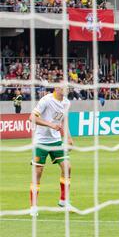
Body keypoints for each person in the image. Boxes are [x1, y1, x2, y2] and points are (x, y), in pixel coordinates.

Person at [30, 85, 77, 216]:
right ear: (56, 88)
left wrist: (68, 136)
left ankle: (64, 201)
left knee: (67, 167)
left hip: (56, 141)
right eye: (63, 87)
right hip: (41, 142)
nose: (66, 89)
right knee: (38, 172)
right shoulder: (46, 100)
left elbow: (64, 119)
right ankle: (34, 206)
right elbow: (32, 117)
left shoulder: (67, 102)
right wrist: (50, 124)